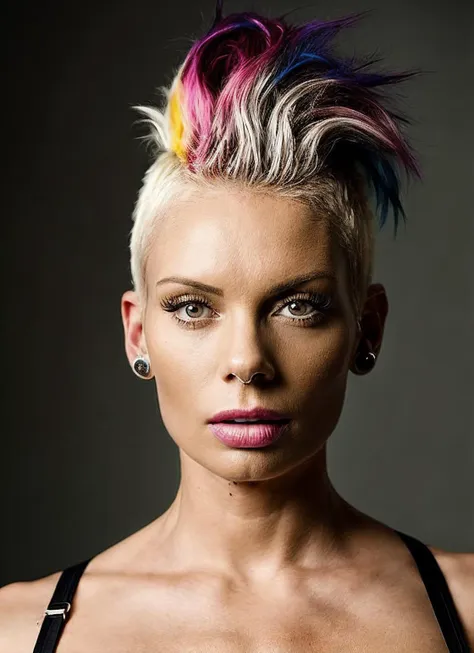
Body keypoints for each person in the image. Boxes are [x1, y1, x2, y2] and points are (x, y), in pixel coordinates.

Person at [1, 3, 473, 652]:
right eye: (193, 307)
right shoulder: (17, 630)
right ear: (138, 333)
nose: (247, 360)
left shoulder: (465, 610)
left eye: (297, 305)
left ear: (367, 326)